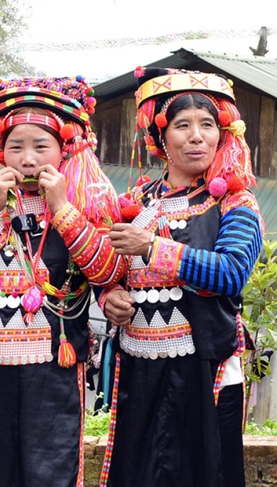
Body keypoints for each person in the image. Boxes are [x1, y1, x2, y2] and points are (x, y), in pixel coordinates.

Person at [0, 77, 127, 487]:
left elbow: (107, 272)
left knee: (52, 468)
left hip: (54, 365)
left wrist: (63, 209)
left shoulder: (82, 202)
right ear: (0, 150)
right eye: (16, 146)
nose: (28, 159)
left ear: (64, 149)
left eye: (41, 146)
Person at [100, 68, 264, 487]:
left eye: (207, 125)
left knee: (204, 471)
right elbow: (110, 266)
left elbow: (231, 273)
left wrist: (152, 247)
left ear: (221, 133)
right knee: (138, 471)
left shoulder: (236, 201)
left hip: (204, 366)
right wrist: (110, 295)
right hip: (139, 365)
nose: (196, 136)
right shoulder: (137, 202)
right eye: (183, 125)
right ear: (161, 137)